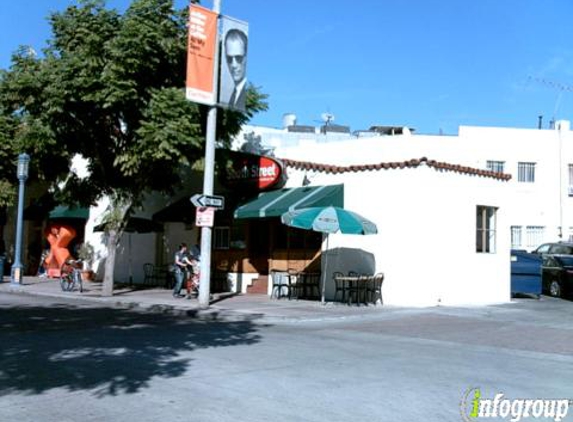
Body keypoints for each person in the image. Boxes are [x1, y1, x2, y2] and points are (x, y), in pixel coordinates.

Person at [223, 28, 248, 110]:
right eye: (229, 59)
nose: (234, 65)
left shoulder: (242, 92)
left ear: (246, 57)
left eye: (238, 58)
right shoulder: (233, 94)